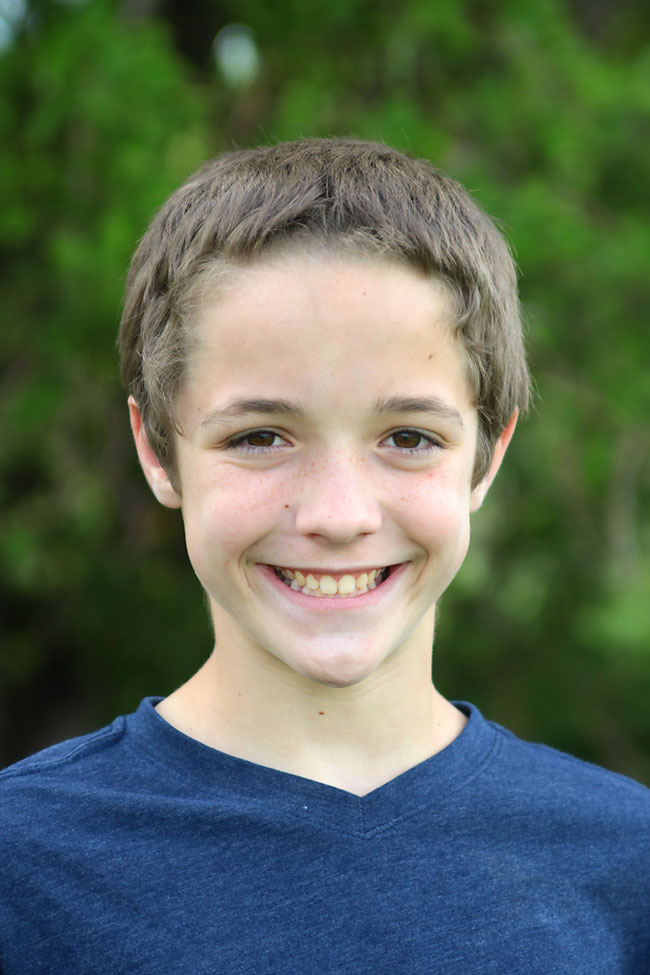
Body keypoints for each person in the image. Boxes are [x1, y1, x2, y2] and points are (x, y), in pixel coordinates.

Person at [1, 139, 648, 974]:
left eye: (409, 437)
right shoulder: (25, 863)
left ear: (486, 457)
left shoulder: (625, 860)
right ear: (157, 451)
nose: (338, 515)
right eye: (260, 436)